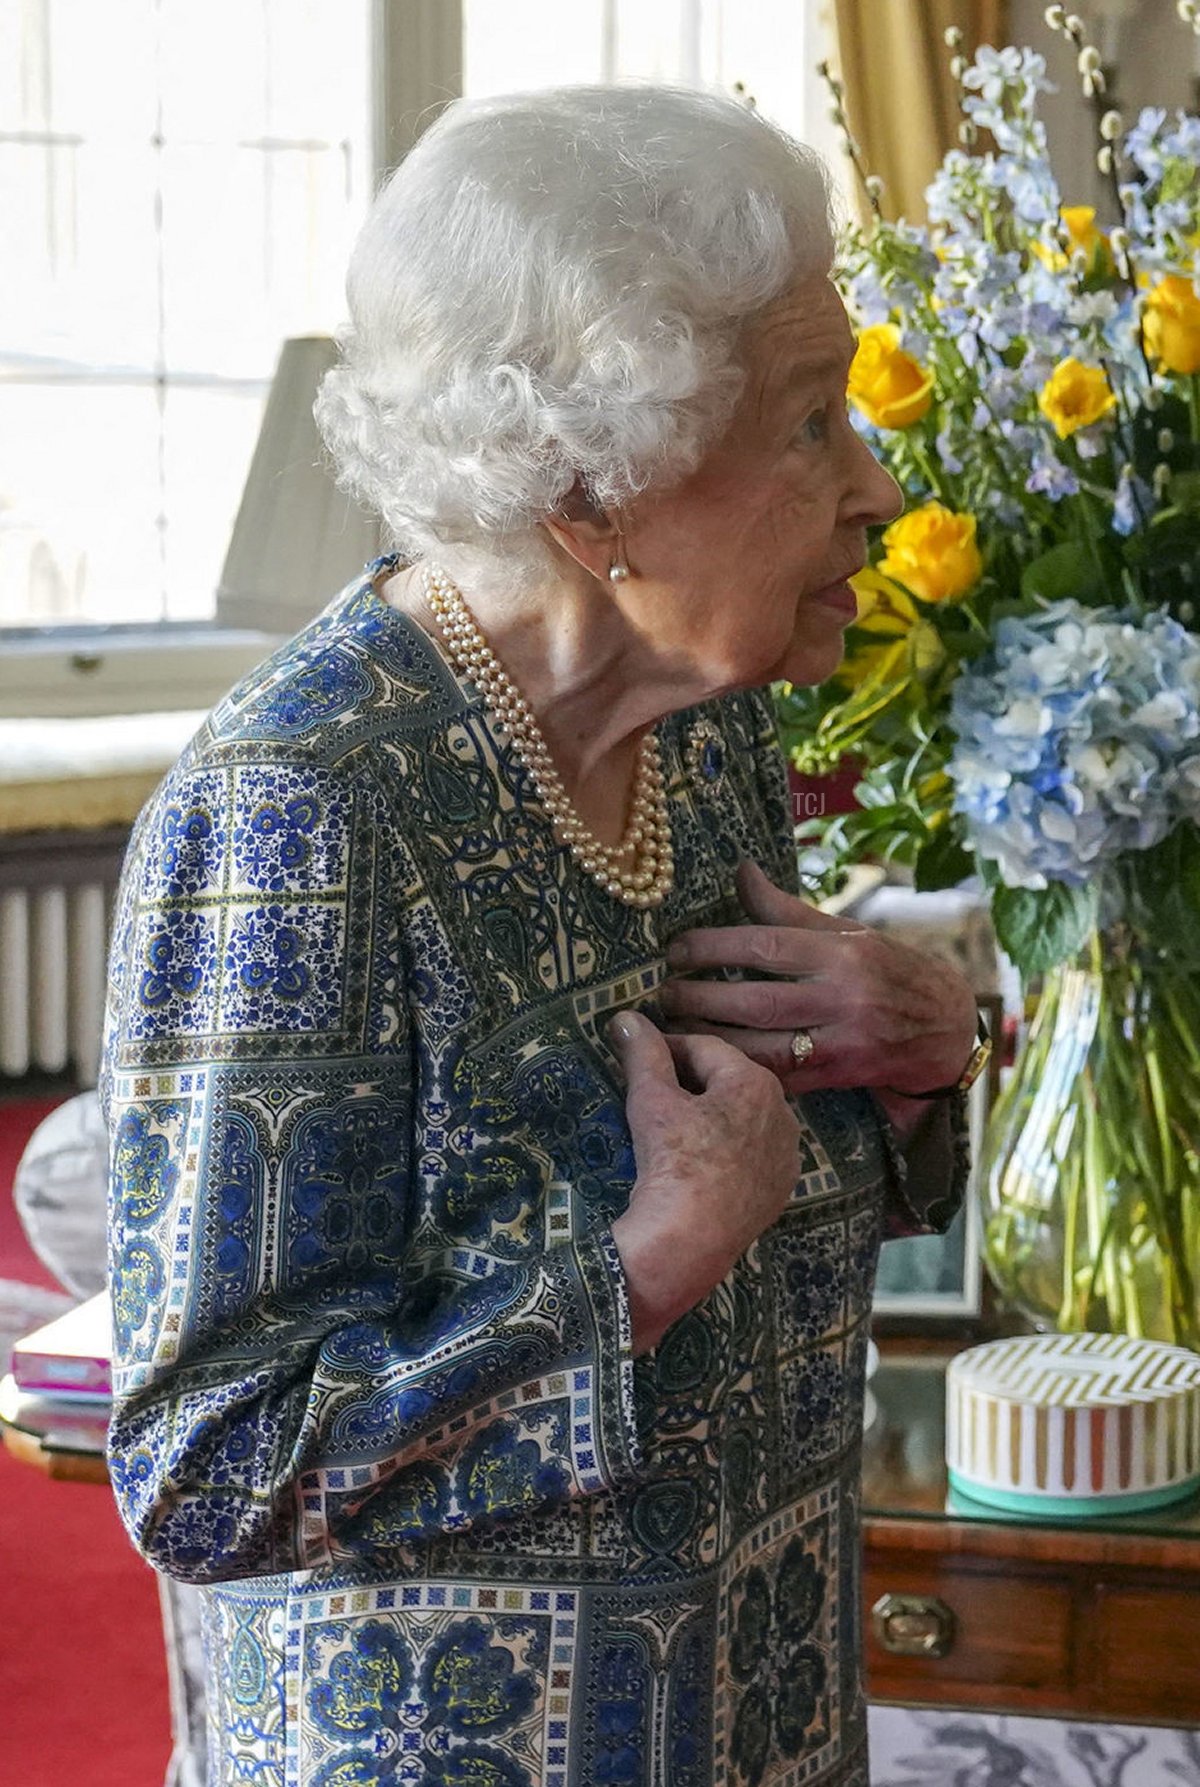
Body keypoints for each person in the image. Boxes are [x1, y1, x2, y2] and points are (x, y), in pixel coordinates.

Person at [102, 83, 979, 1787]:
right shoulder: (304, 812)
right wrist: (647, 1263)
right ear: (599, 496)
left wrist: (928, 1054)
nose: (873, 485)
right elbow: (209, 1471)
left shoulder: (708, 717)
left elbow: (779, 1176)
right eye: (811, 426)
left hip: (767, 1707)